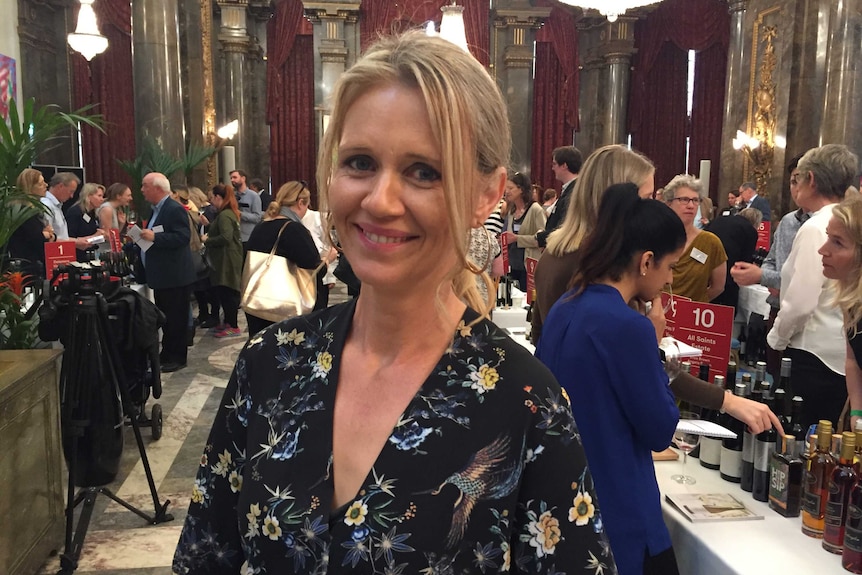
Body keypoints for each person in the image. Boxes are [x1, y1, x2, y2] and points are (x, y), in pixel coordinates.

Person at [174, 31, 615, 574]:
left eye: (423, 171)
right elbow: (205, 556)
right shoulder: (270, 364)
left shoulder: (526, 403)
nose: (380, 201)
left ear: (486, 195)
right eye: (359, 162)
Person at [531, 146, 779, 433]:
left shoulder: (556, 253)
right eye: (647, 198)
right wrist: (723, 400)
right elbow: (646, 394)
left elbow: (542, 335)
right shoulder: (601, 271)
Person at [537, 183, 685, 575]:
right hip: (620, 506)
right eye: (670, 267)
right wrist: (654, 342)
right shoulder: (628, 327)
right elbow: (659, 428)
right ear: (646, 261)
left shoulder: (566, 306)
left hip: (568, 500)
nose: (669, 280)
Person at [766, 144, 858, 430]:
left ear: (812, 180)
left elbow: (800, 303)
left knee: (800, 434)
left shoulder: (817, 226)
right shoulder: (845, 221)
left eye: (797, 178)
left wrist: (776, 341)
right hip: (841, 354)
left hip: (813, 354)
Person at [242, 181, 321, 337]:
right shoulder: (293, 229)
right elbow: (315, 268)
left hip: (257, 302)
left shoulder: (261, 226)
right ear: (300, 203)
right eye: (307, 205)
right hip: (284, 308)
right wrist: (328, 258)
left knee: (261, 349)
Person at [139, 172, 195, 373]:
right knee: (166, 318)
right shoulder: (155, 209)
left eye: (145, 186)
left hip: (175, 275)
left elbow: (182, 237)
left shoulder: (173, 209)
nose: (142, 190)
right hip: (163, 275)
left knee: (176, 319)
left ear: (157, 188)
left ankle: (177, 357)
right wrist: (140, 239)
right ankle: (167, 353)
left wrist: (154, 237)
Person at [820, 196, 862, 431]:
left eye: (837, 242)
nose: (822, 250)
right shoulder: (851, 299)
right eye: (828, 237)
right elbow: (852, 359)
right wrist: (857, 413)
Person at [662, 174, 727, 302]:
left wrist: (693, 305)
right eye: (684, 199)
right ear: (669, 203)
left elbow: (718, 287)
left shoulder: (711, 242)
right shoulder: (653, 236)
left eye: (695, 200)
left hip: (693, 316)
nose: (691, 205)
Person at [202, 184, 243, 337]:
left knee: (228, 292)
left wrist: (207, 240)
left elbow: (226, 237)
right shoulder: (227, 214)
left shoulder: (225, 215)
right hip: (227, 259)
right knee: (225, 291)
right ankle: (227, 322)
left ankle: (233, 325)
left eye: (212, 198)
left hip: (227, 260)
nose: (211, 201)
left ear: (218, 197)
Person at [705, 206, 761, 309]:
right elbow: (745, 261)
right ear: (756, 222)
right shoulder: (749, 230)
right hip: (728, 274)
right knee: (725, 311)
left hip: (705, 267)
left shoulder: (719, 220)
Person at [4, 168, 54, 279]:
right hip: (25, 267)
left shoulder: (36, 209)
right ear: (30, 187)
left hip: (36, 264)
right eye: (41, 184)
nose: (46, 185)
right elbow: (34, 237)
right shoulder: (21, 210)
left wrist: (48, 235)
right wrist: (45, 235)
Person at [502, 171, 546, 291]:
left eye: (510, 188)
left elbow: (543, 239)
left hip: (528, 266)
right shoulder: (511, 211)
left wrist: (517, 239)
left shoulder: (535, 210)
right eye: (506, 188)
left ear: (521, 189)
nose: (507, 191)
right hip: (512, 264)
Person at [535, 145, 582, 247]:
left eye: (555, 164)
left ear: (564, 165)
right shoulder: (570, 189)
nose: (552, 168)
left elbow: (565, 228)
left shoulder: (574, 192)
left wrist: (540, 236)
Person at [42, 172, 101, 249]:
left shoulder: (57, 206)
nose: (71, 196)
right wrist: (76, 242)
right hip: (54, 254)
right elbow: (48, 238)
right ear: (60, 186)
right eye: (71, 191)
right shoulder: (47, 205)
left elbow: (62, 236)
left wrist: (77, 241)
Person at [65, 183, 105, 261]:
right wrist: (95, 236)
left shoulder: (92, 213)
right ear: (89, 196)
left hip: (90, 254)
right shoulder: (75, 212)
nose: (102, 199)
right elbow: (70, 238)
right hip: (77, 256)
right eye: (99, 196)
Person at [230, 169, 262, 252]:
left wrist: (240, 214)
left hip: (248, 237)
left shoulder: (253, 196)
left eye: (235, 177)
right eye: (231, 178)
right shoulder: (232, 196)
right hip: (234, 237)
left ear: (243, 178)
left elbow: (257, 217)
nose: (232, 180)